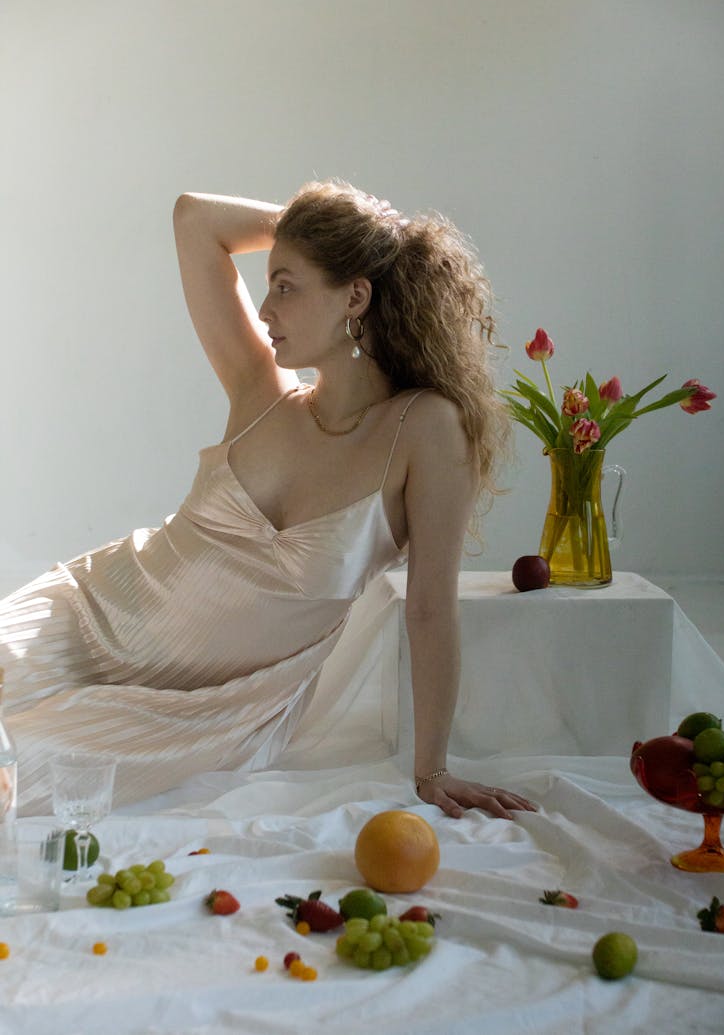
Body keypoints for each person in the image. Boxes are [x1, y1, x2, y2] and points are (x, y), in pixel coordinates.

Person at [0, 180, 534, 819]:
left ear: (354, 296)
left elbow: (428, 609)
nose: (263, 309)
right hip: (86, 618)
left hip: (199, 711)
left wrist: (434, 769)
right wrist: (323, 230)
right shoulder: (261, 390)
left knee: (18, 784)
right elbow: (194, 219)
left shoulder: (425, 429)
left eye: (286, 284)